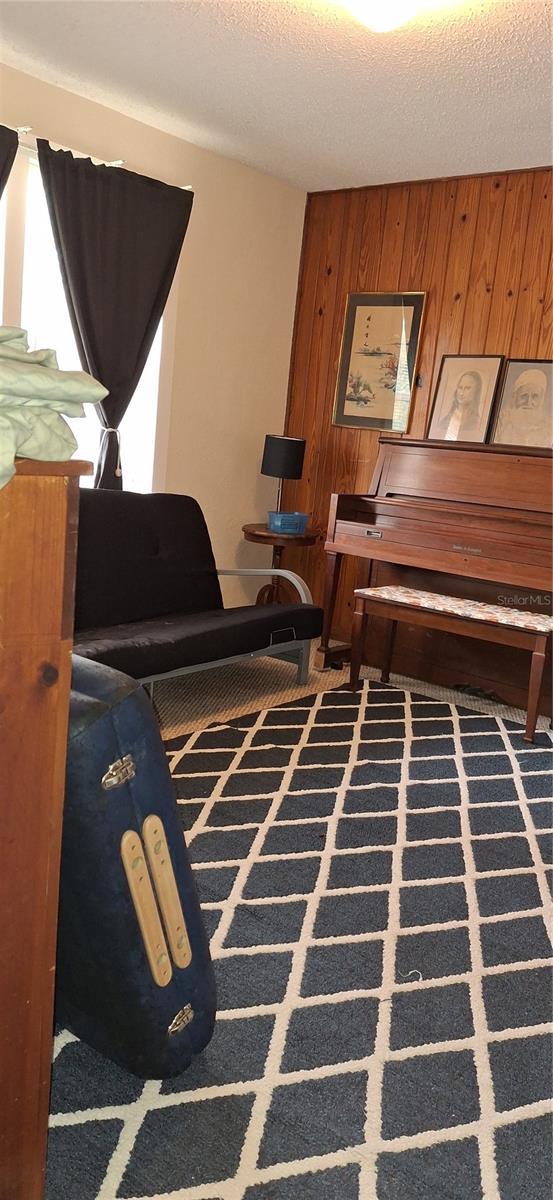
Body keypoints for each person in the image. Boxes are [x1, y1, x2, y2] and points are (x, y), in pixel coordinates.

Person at [494, 368, 551, 447]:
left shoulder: (549, 426)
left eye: (535, 396)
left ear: (542, 399)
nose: (528, 402)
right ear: (515, 397)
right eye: (524, 396)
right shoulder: (501, 421)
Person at [433, 370, 483, 441]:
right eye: (460, 387)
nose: (461, 393)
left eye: (467, 388)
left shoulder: (477, 422)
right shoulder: (445, 421)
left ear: (476, 391)